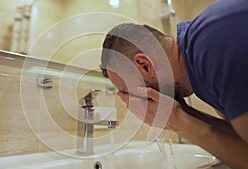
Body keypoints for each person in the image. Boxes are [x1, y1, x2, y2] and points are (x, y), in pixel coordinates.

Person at [100, 0, 248, 168]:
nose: (135, 102)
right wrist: (184, 113)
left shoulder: (211, 47)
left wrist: (177, 121)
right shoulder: (198, 55)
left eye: (130, 92)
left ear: (145, 66)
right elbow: (240, 137)